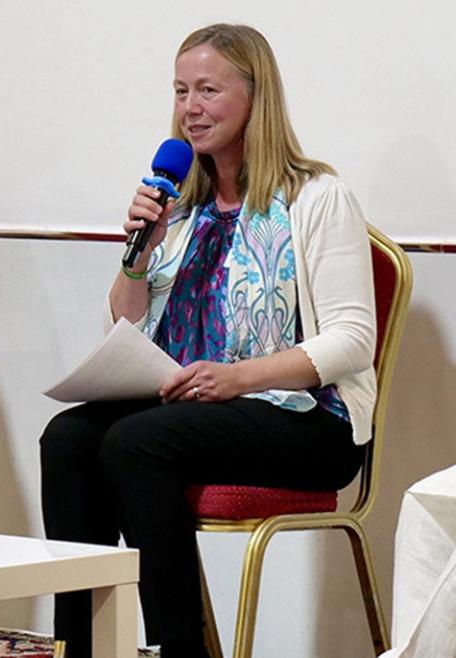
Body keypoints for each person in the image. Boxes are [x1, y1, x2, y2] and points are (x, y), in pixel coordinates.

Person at [40, 23, 377, 658]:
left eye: (207, 90)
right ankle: (79, 644)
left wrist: (240, 378)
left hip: (310, 421)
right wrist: (139, 253)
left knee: (137, 441)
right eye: (180, 91)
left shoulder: (316, 198)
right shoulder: (184, 209)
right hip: (200, 410)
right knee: (68, 438)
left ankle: (177, 648)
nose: (190, 109)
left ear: (256, 98)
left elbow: (353, 340)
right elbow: (128, 328)